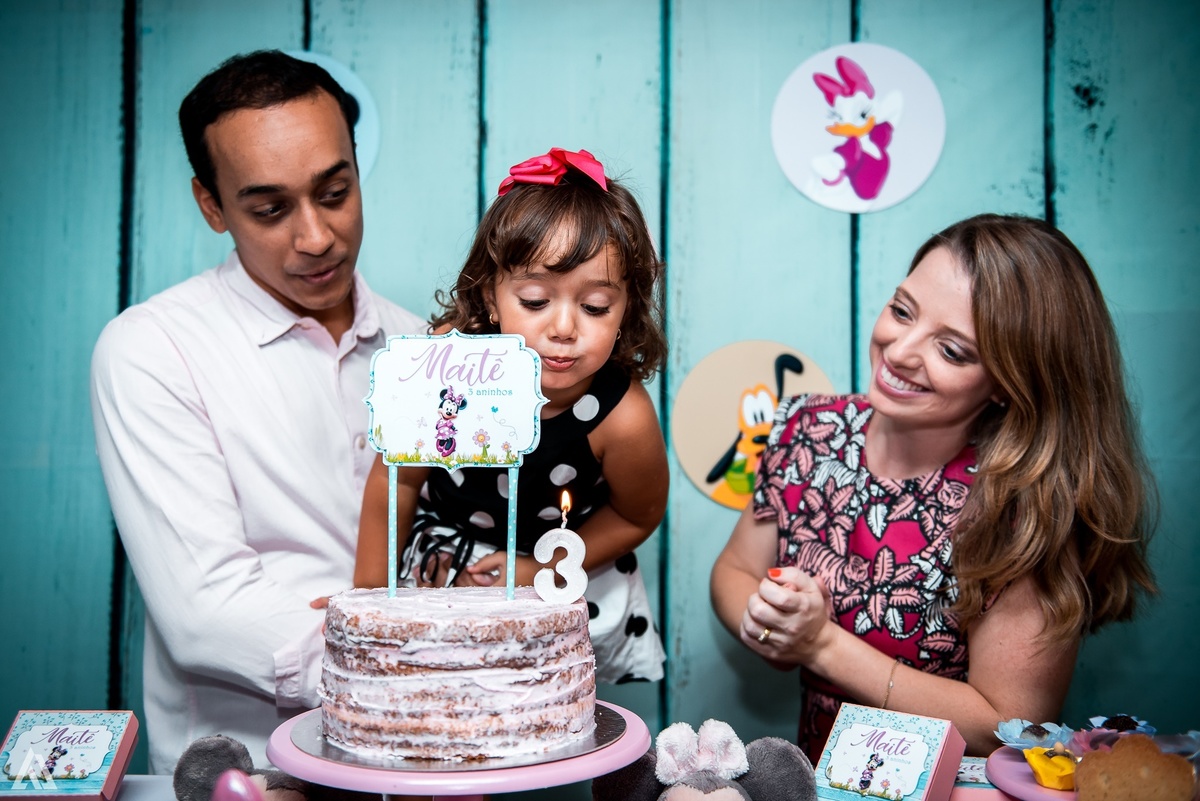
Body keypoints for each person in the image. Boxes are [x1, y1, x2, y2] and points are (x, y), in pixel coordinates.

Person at [710, 213, 1157, 761]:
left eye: (952, 350)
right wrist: (769, 622)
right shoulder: (810, 429)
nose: (900, 351)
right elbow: (734, 571)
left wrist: (822, 646)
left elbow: (1008, 724)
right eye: (902, 311)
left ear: (1008, 382)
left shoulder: (1019, 504)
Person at [90, 50, 425, 773]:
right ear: (212, 206)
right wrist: (426, 668)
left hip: (437, 771)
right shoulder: (152, 350)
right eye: (269, 209)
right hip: (256, 776)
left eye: (335, 192)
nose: (315, 237)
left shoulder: (426, 349)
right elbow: (207, 609)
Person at [353, 147, 669, 682]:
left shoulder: (623, 417)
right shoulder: (445, 362)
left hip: (561, 562)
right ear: (491, 297)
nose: (564, 328)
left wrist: (542, 565)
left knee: (547, 709)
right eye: (534, 300)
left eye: (594, 307)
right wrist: (364, 605)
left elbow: (637, 515)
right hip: (447, 560)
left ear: (627, 308)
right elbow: (397, 481)